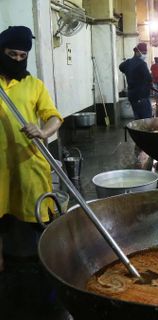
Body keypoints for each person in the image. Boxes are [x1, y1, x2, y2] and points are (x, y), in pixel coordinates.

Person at [0, 26, 63, 271]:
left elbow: (54, 117)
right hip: (0, 163)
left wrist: (44, 132)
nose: (17, 60)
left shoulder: (34, 85)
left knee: (38, 213)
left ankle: (43, 260)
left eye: (22, 56)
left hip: (28, 159)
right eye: (11, 54)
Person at [119, 43, 152, 120]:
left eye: (145, 53)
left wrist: (129, 73)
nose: (145, 55)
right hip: (142, 96)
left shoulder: (128, 62)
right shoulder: (142, 64)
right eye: (143, 53)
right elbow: (149, 78)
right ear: (137, 52)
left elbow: (120, 67)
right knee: (146, 120)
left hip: (132, 96)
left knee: (137, 119)